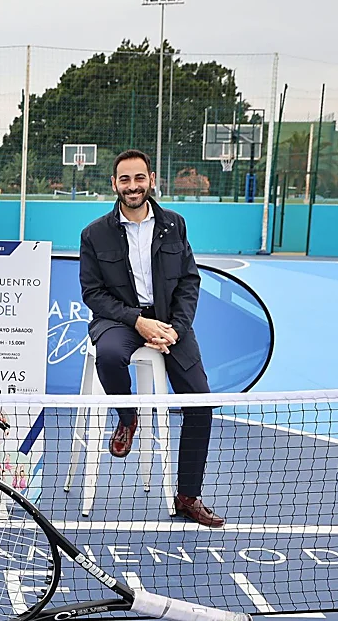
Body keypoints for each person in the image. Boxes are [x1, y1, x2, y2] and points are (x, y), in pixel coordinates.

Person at [78, 148, 224, 529]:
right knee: (109, 355)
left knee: (200, 401)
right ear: (114, 184)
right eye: (124, 179)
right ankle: (128, 416)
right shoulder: (94, 234)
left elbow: (190, 281)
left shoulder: (174, 225)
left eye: (139, 178)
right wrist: (139, 322)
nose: (132, 186)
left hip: (170, 323)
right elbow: (93, 294)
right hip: (118, 319)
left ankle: (188, 496)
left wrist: (174, 327)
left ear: (151, 180)